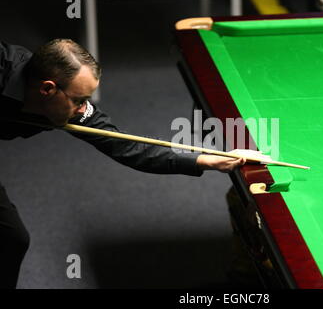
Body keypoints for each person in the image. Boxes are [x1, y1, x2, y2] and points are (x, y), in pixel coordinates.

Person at [0, 39, 263, 288]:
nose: (84, 110)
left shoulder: (74, 108)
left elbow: (128, 147)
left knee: (11, 238)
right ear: (47, 89)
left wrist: (206, 159)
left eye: (87, 100)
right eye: (79, 100)